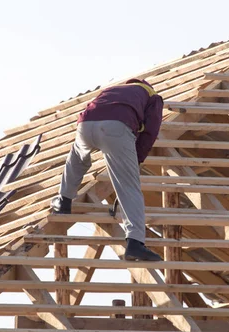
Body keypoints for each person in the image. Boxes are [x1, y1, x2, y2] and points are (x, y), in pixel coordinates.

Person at [50, 78, 163, 261]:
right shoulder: (152, 97)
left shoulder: (112, 90)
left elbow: (92, 108)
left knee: (77, 158)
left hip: (84, 125)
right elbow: (150, 131)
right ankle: (135, 243)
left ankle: (64, 200)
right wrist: (135, 161)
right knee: (128, 186)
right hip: (116, 126)